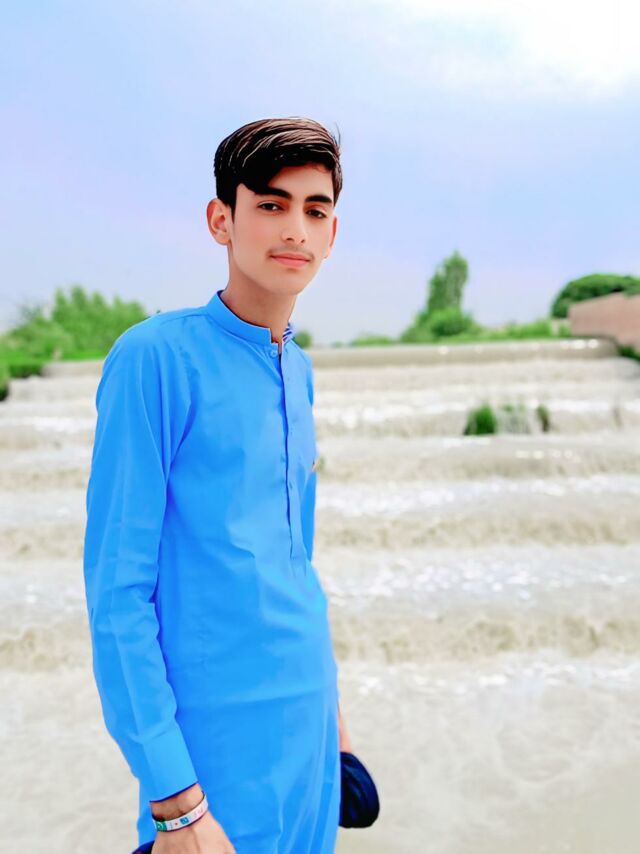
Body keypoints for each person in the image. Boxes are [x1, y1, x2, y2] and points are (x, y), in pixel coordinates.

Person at [82, 116, 355, 853]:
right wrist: (175, 804)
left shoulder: (298, 370)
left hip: (309, 740)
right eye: (270, 204)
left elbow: (298, 563)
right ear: (221, 220)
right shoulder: (154, 360)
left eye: (315, 210)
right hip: (214, 750)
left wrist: (336, 729)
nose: (295, 228)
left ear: (332, 233)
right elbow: (118, 595)